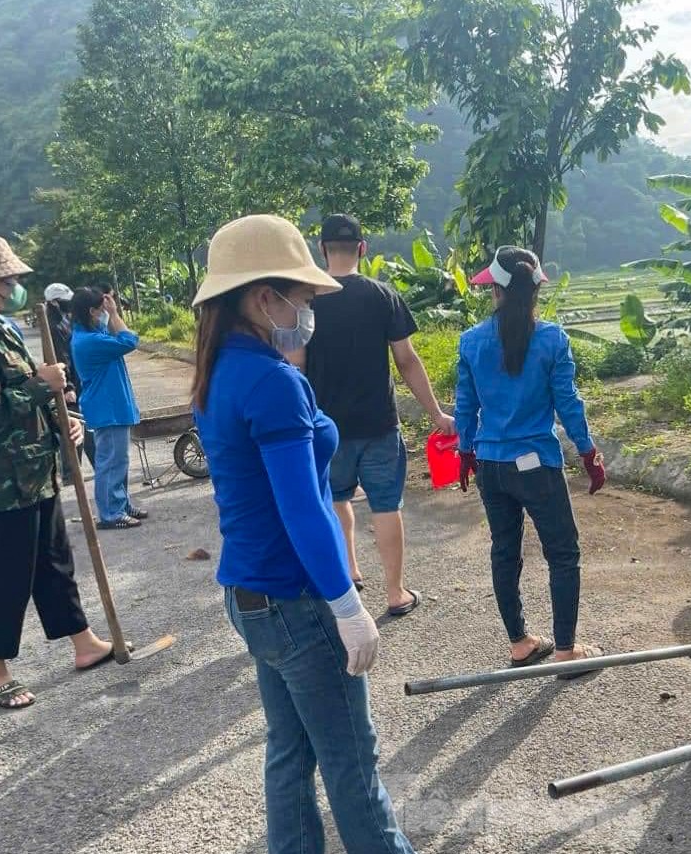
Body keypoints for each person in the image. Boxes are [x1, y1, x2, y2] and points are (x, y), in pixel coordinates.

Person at [191, 214, 414, 854]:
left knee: (290, 751)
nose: (309, 309)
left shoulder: (223, 367)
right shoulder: (270, 380)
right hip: (295, 598)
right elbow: (304, 508)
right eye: (305, 297)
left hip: (249, 592)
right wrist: (346, 603)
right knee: (351, 760)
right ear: (266, 298)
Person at [0, 235, 113, 710]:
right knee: (10, 571)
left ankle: (83, 641)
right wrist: (42, 386)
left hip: (36, 466)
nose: (16, 285)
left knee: (54, 559)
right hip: (2, 479)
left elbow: (35, 390)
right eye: (11, 278)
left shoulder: (2, 326)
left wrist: (64, 421)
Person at [455, 245, 607, 673]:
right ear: (536, 288)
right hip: (537, 463)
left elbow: (465, 407)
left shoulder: (470, 341)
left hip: (492, 464)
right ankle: (564, 652)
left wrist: (466, 452)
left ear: (497, 291)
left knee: (505, 551)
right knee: (562, 553)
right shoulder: (552, 339)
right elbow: (568, 403)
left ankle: (520, 643)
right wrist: (588, 452)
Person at [293, 213, 453, 616]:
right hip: (380, 424)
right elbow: (407, 360)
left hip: (325, 428)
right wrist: (435, 413)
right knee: (385, 504)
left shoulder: (306, 301)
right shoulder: (383, 295)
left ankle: (349, 571)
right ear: (363, 249)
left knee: (336, 498)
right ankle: (396, 593)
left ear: (322, 250)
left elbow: (294, 366)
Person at [71, 287, 145, 530]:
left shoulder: (90, 334)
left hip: (110, 406)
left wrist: (109, 314)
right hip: (107, 408)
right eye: (101, 310)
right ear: (91, 311)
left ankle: (120, 504)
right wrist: (114, 314)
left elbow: (112, 333)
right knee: (111, 462)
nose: (105, 314)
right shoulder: (90, 342)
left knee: (117, 461)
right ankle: (111, 513)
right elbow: (129, 340)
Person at [44, 282, 96, 475]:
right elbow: (60, 358)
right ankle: (71, 470)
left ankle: (81, 467)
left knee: (83, 424)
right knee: (75, 425)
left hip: (75, 378)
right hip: (68, 384)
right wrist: (69, 387)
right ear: (55, 303)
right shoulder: (53, 325)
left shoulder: (64, 321)